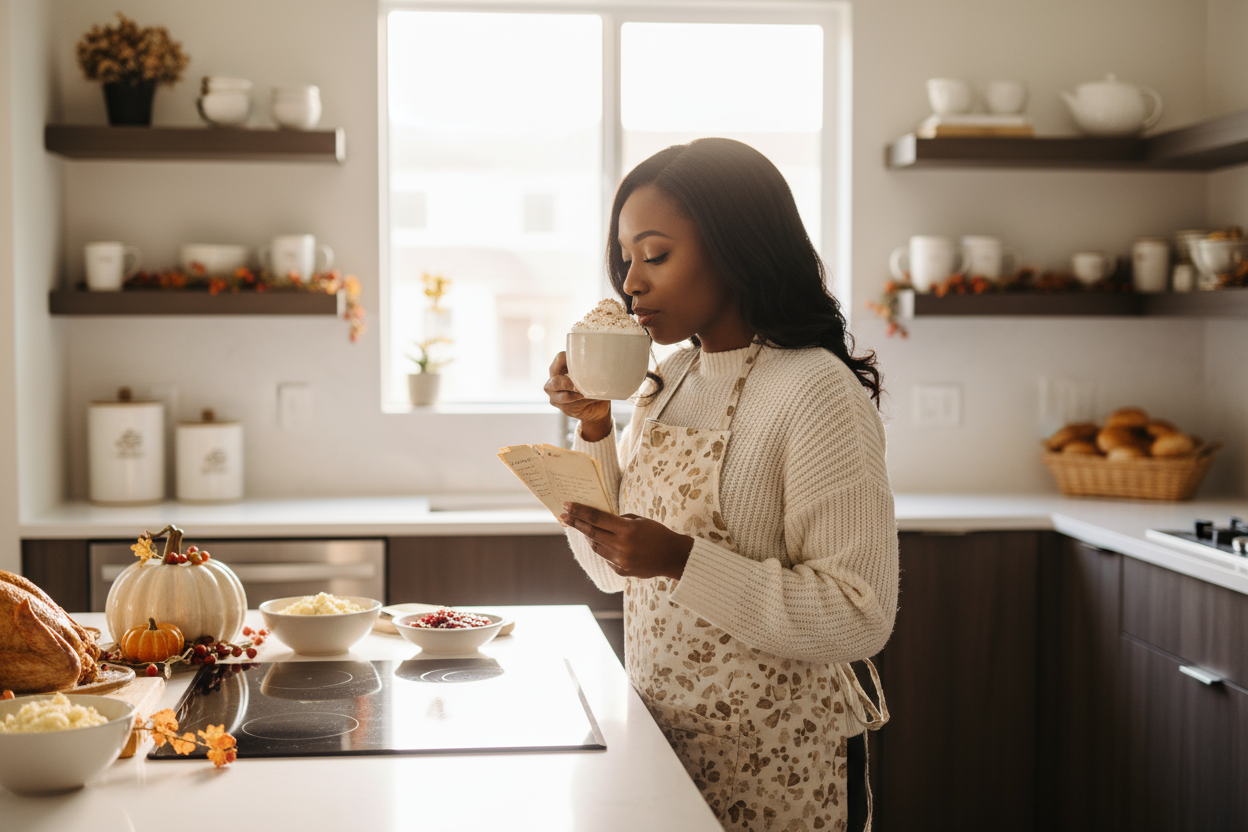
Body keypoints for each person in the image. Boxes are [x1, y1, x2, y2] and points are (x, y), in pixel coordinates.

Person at [544, 137, 897, 832]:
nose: (632, 283)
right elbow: (612, 573)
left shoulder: (815, 391)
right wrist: (593, 430)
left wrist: (679, 560)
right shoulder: (667, 384)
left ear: (737, 247)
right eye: (626, 259)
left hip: (781, 764)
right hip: (671, 747)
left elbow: (860, 613)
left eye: (657, 254)